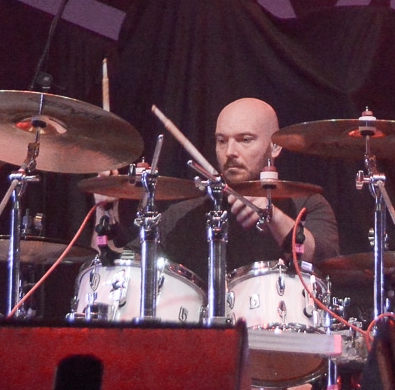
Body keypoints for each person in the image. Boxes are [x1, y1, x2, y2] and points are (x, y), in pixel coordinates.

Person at [96, 97, 340, 276]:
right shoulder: (187, 215)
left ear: (275, 146)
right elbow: (121, 270)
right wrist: (105, 210)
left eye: (245, 140)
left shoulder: (306, 204)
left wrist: (272, 216)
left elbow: (323, 258)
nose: (230, 152)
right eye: (222, 141)